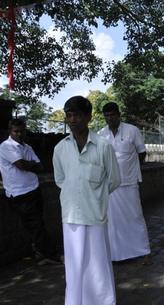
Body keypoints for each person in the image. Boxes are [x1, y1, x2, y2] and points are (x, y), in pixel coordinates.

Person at [53, 96, 121, 305]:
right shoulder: (60, 148)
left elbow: (114, 180)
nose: (72, 120)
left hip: (95, 216)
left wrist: (96, 196)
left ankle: (102, 301)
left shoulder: (102, 146)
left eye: (77, 115)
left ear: (89, 117)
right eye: (69, 115)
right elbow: (60, 180)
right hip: (71, 217)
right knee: (74, 265)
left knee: (97, 265)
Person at [0, 118, 60, 265]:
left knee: (38, 223)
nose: (19, 134)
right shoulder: (6, 146)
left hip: (34, 189)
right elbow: (21, 165)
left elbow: (41, 166)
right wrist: (29, 164)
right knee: (36, 225)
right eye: (16, 131)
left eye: (21, 131)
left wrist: (29, 164)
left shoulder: (27, 147)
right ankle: (50, 254)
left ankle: (41, 252)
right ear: (10, 131)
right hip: (19, 194)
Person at [98, 102, 151, 263]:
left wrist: (130, 169)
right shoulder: (100, 134)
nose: (109, 118)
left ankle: (144, 252)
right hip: (111, 185)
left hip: (129, 183)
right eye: (106, 115)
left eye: (112, 114)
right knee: (113, 221)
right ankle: (116, 255)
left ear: (119, 114)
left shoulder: (132, 130)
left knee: (135, 217)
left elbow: (142, 153)